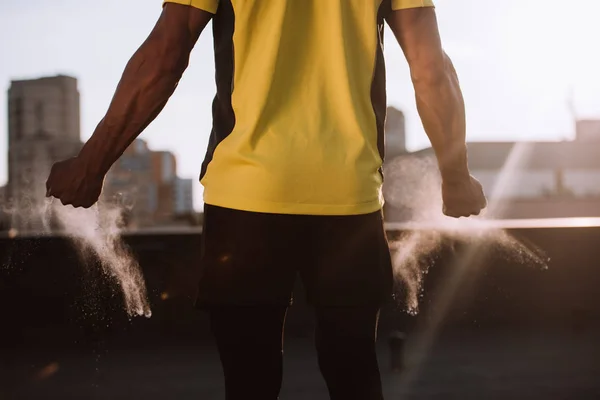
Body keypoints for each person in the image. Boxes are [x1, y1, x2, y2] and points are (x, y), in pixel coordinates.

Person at [46, 1, 486, 399]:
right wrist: (456, 176)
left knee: (248, 382)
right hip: (348, 196)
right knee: (355, 377)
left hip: (246, 196)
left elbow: (165, 53)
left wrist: (92, 162)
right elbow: (431, 69)